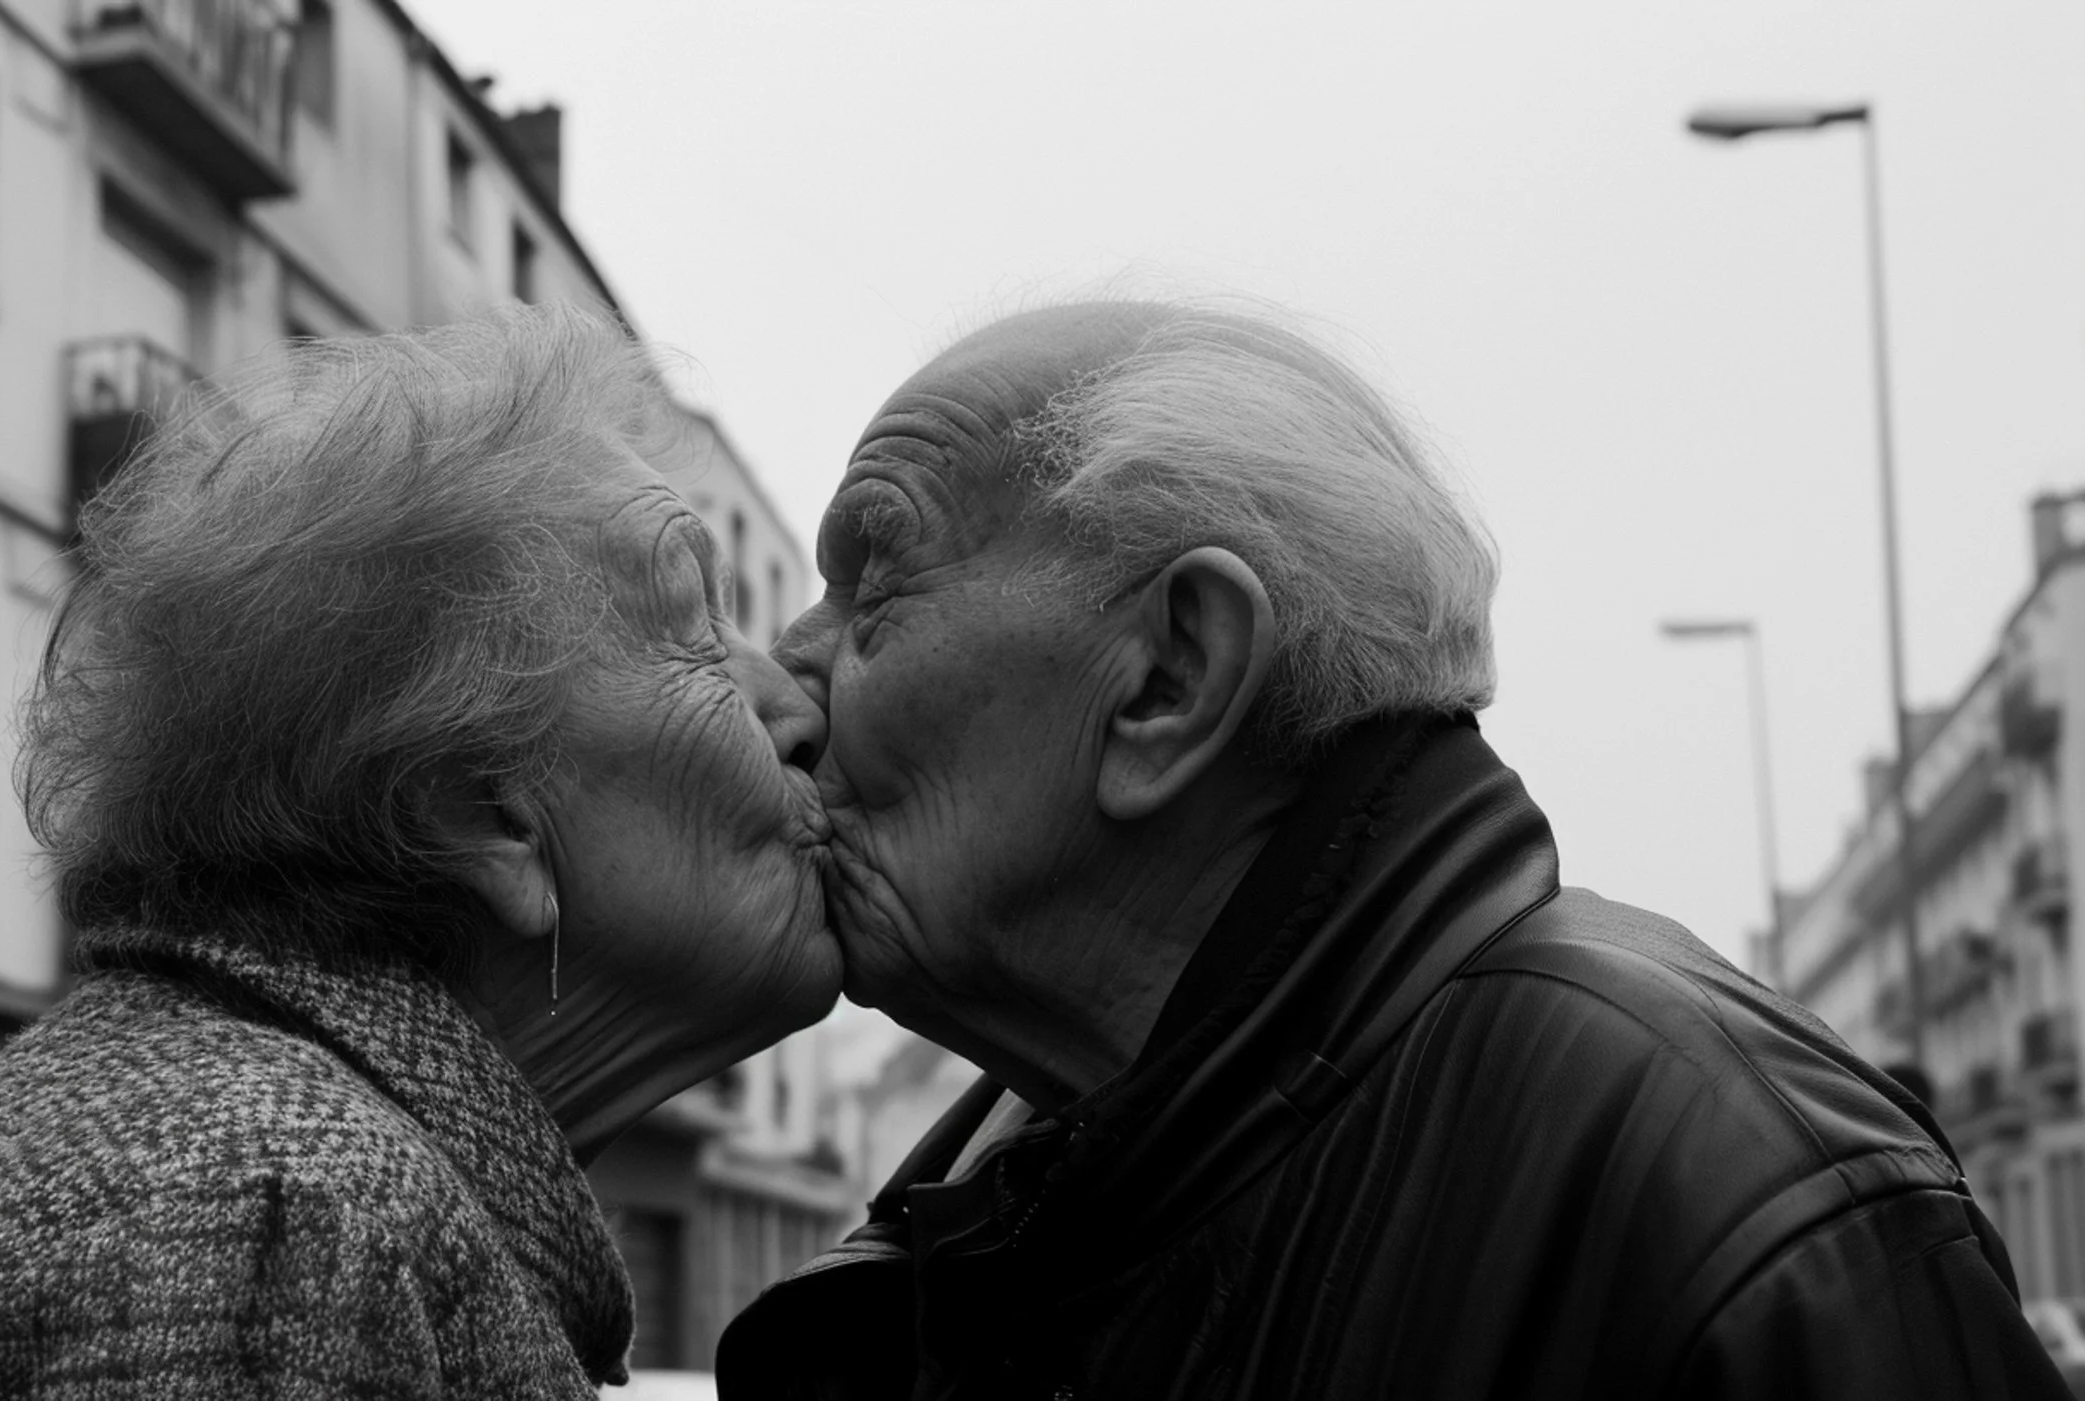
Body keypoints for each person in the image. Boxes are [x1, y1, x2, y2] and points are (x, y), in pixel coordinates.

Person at [719, 300, 2066, 1399]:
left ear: (1169, 679)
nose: (788, 672)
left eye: (875, 581)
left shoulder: (1722, 1195)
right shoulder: (1005, 1214)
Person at [0, 306, 840, 1399]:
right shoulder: (278, 1217)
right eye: (696, 624)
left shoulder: (239, 1153)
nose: (795, 708)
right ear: (488, 814)